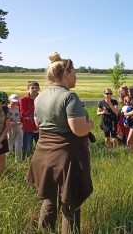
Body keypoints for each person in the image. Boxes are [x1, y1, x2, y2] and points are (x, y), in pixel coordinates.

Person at [27, 52, 94, 233]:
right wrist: (90, 124)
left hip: (43, 154)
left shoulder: (40, 97)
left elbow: (37, 123)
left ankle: (45, 230)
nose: (75, 76)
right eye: (74, 72)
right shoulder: (69, 97)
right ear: (65, 73)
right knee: (70, 202)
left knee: (50, 199)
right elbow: (78, 129)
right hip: (66, 157)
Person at [20, 81, 40, 159]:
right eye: (32, 88)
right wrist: (34, 108)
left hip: (40, 126)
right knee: (28, 147)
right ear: (28, 89)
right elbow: (22, 113)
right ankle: (26, 162)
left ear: (39, 89)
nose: (34, 89)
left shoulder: (42, 98)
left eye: (36, 88)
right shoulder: (23, 99)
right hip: (28, 127)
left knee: (41, 147)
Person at [8, 94, 23, 162]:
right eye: (13, 101)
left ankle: (18, 159)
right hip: (9, 128)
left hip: (18, 127)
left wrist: (20, 123)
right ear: (9, 101)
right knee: (9, 141)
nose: (15, 103)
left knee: (19, 141)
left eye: (16, 101)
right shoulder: (6, 109)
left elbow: (21, 117)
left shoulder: (19, 108)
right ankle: (8, 156)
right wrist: (12, 123)